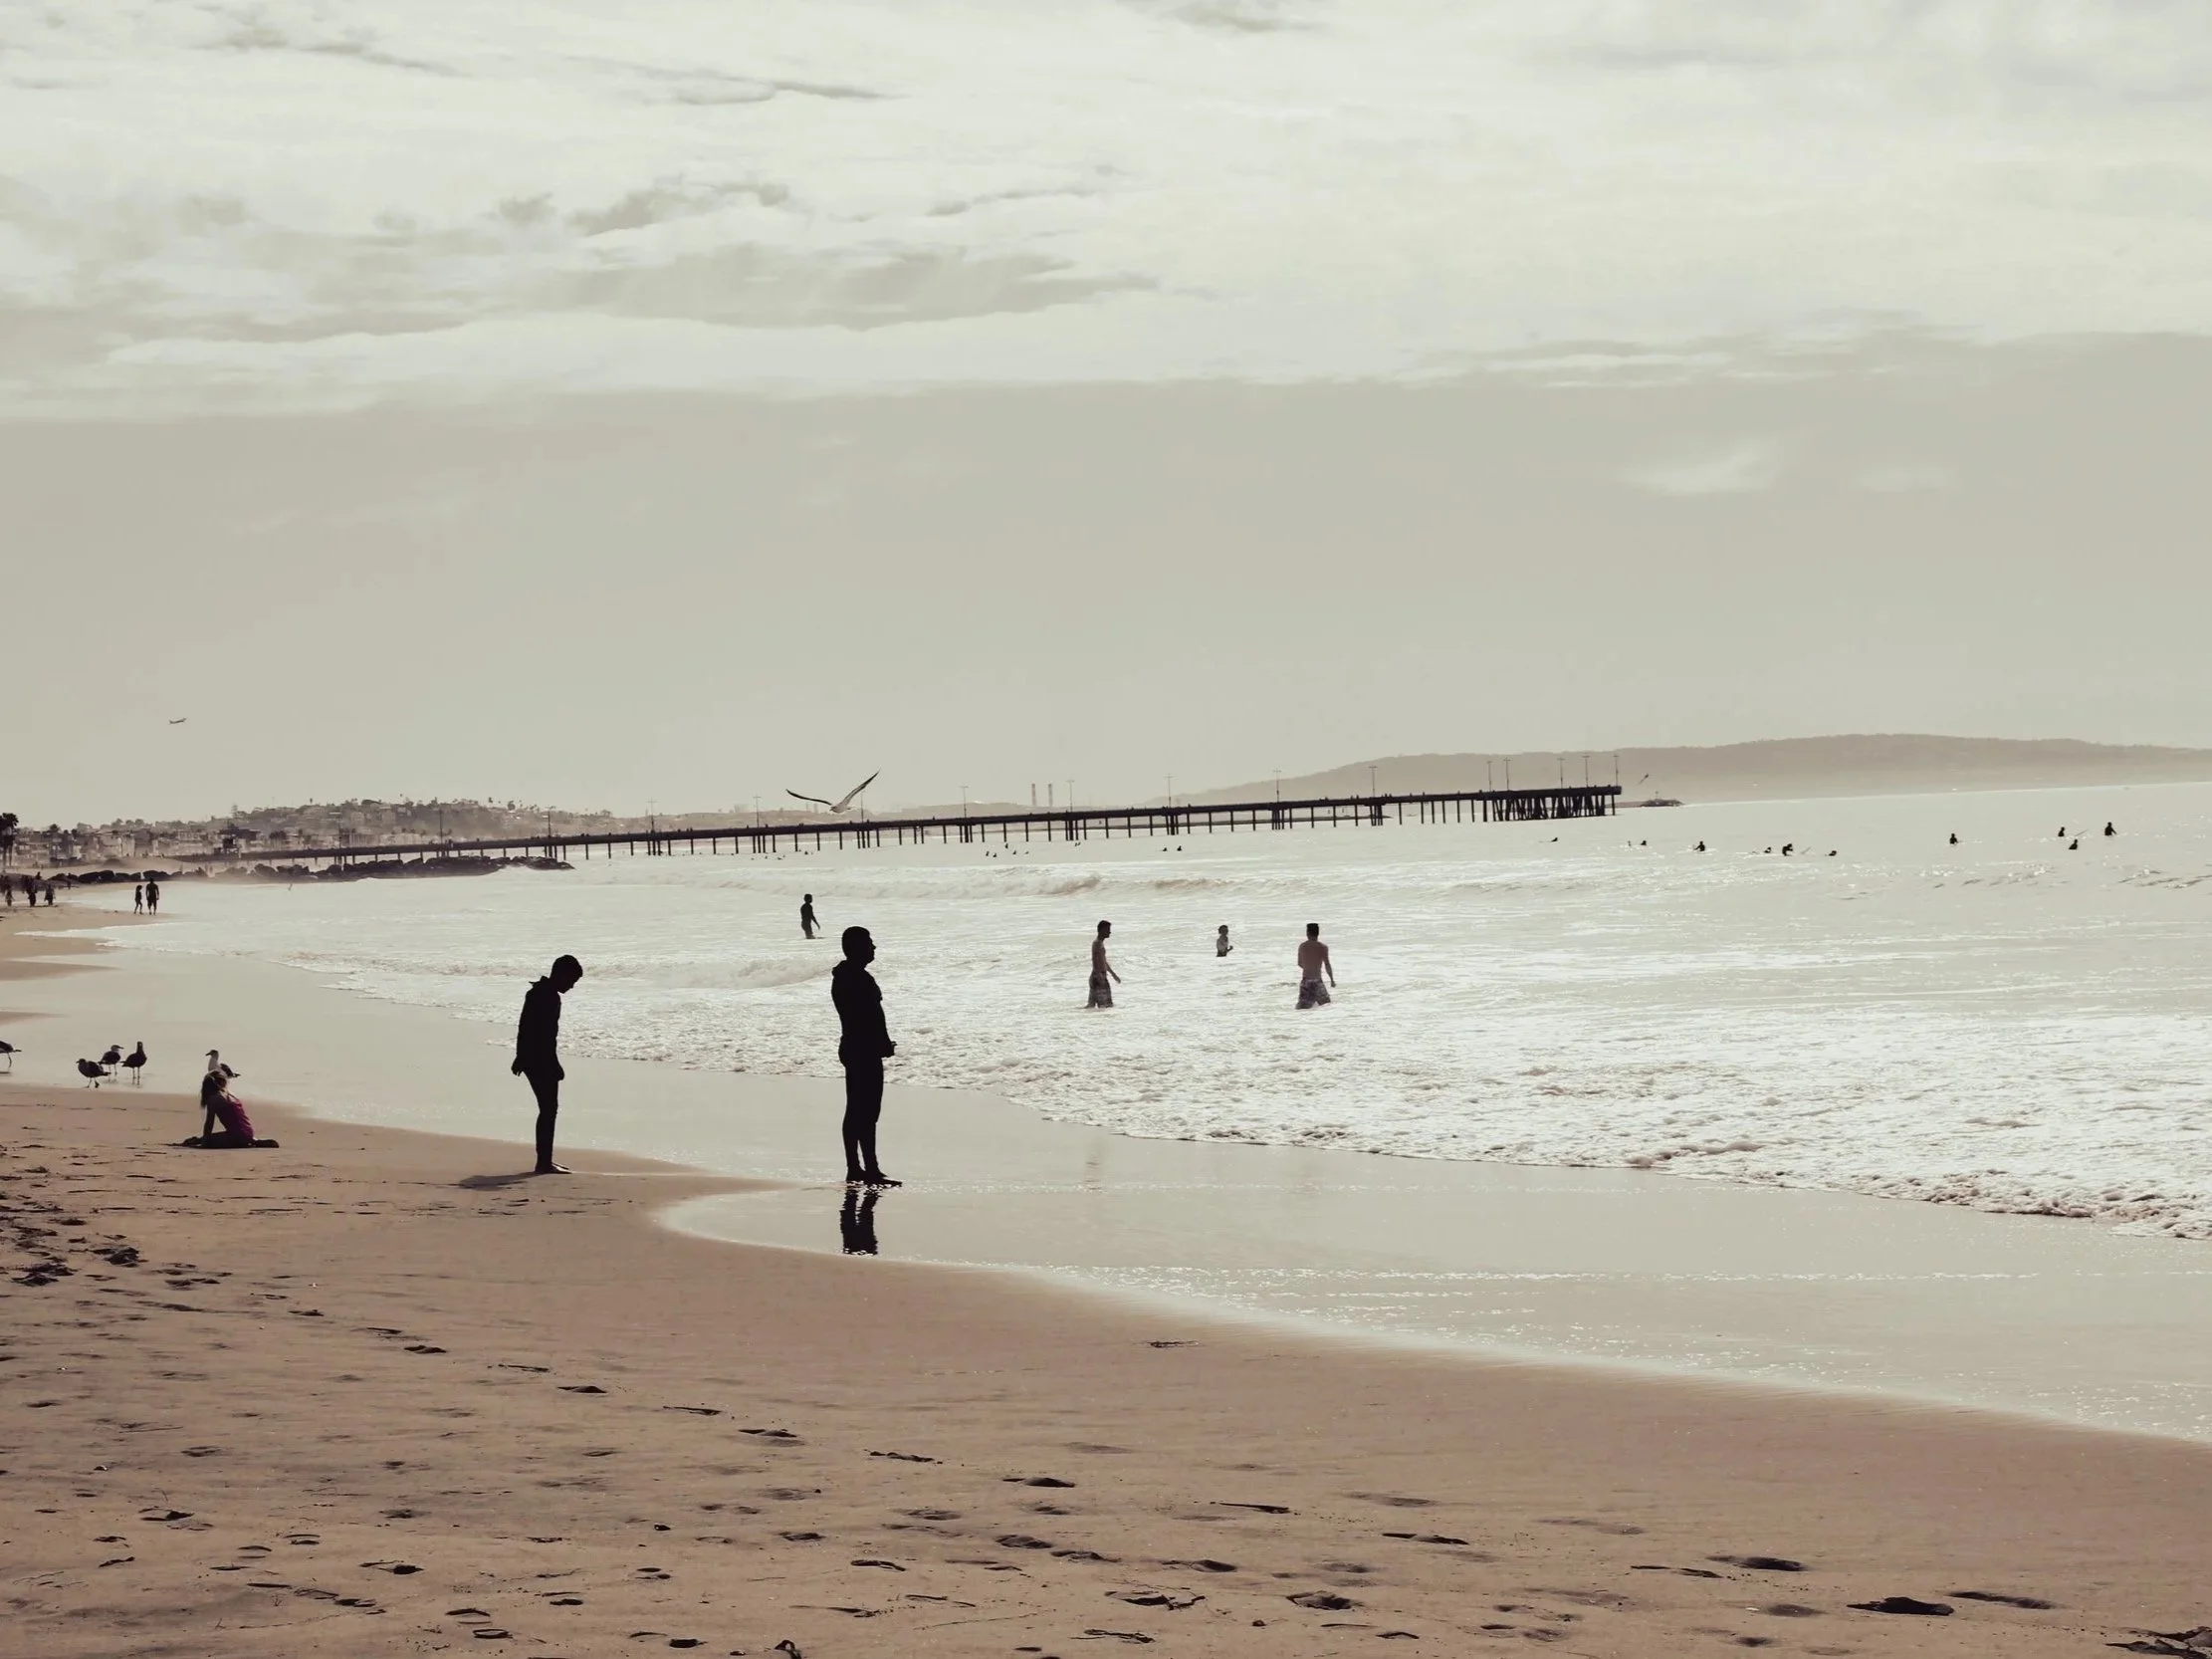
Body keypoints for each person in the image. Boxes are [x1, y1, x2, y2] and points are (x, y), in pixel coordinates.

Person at [830, 926, 898, 1187]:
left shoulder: (847, 975)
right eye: (869, 943)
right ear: (857, 948)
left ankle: (860, 1167)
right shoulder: (855, 978)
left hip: (856, 1046)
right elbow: (865, 1017)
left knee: (860, 1109)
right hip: (862, 1049)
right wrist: (880, 1042)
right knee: (865, 1110)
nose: (874, 947)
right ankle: (865, 1168)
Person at [513, 954, 584, 1175]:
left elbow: (524, 1027)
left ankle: (545, 1160)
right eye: (571, 981)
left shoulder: (539, 992)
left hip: (531, 1057)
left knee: (548, 1109)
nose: (572, 987)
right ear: (561, 975)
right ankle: (543, 1163)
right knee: (548, 1109)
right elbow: (542, 1035)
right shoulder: (547, 996)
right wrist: (553, 1065)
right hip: (538, 1059)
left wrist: (520, 1056)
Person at [191, 1063, 273, 1148]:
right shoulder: (230, 1095)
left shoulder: (213, 1099)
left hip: (236, 1136)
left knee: (207, 1139)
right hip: (249, 1132)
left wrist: (205, 1142)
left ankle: (244, 1142)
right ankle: (253, 1141)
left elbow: (209, 1123)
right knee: (205, 1138)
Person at [1296, 922, 1335, 1009]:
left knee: (1302, 1008)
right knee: (1326, 1005)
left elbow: (1299, 963)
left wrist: (1308, 967)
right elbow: (1327, 964)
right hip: (1317, 980)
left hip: (1306, 980)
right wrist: (1332, 980)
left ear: (1307, 933)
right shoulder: (1323, 947)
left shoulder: (1302, 946)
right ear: (1318, 933)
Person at [1088, 920, 1119, 1009]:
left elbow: (1103, 961)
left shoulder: (1100, 943)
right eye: (1107, 929)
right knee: (1106, 1006)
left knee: (1091, 1006)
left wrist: (1113, 974)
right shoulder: (1097, 943)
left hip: (1097, 977)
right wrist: (1100, 977)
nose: (1109, 932)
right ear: (1101, 930)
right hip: (1098, 977)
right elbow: (1094, 960)